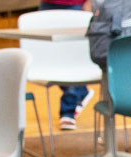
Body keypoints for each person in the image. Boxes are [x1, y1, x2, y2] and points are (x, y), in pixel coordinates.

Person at [40, 0, 95, 131]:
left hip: (75, 5)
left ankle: (68, 111)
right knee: (49, 56)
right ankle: (81, 91)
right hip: (47, 5)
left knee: (71, 57)